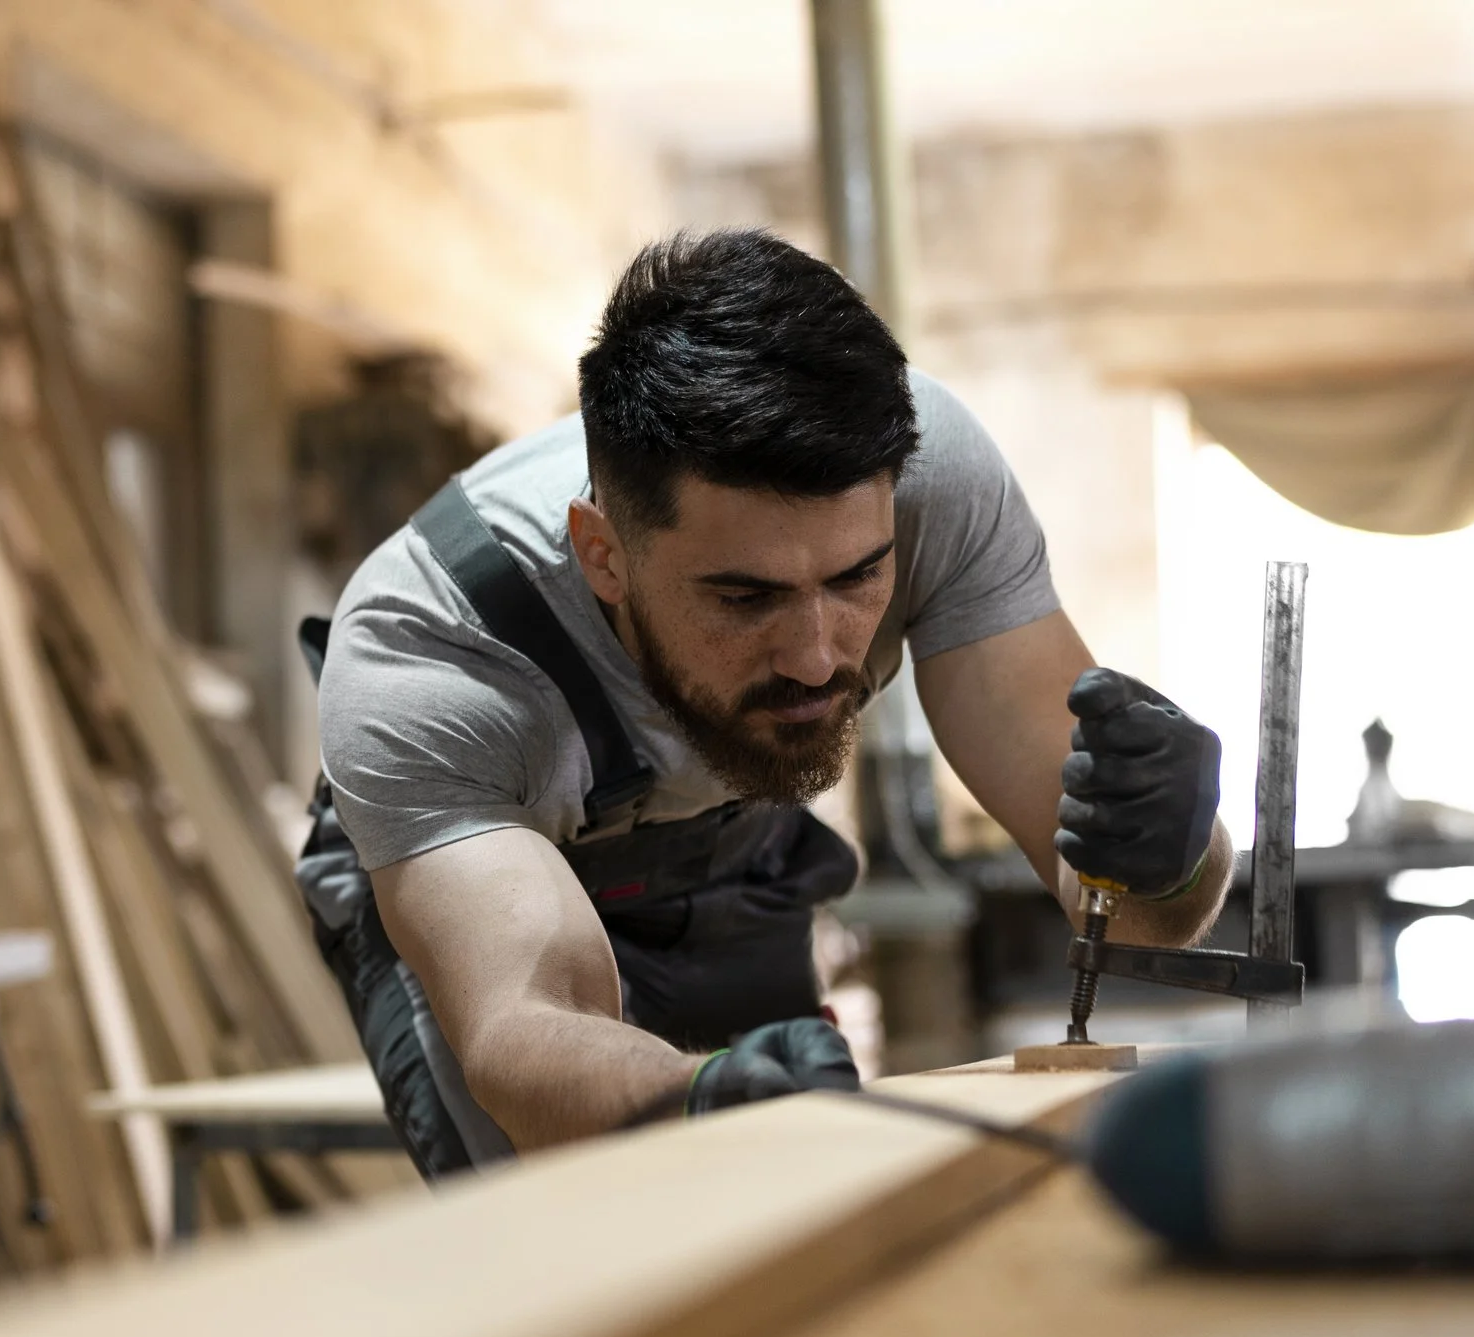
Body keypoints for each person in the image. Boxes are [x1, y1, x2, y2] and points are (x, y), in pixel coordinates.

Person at [295, 229, 1229, 1175]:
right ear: (602, 555)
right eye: (746, 598)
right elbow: (525, 1036)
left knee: (810, 1204)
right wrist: (691, 1106)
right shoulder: (434, 656)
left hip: (733, 841)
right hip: (476, 872)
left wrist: (1170, 858)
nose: (819, 659)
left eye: (858, 577)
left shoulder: (933, 484)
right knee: (566, 1242)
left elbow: (1130, 919)